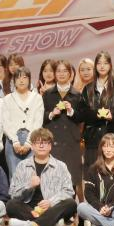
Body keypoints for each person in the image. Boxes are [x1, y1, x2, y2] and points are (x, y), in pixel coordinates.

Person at [6, 127, 77, 226]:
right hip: (29, 209)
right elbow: (13, 193)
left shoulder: (60, 166)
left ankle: (34, 224)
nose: (41, 145)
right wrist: (29, 185)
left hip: (52, 208)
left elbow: (69, 191)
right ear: (32, 146)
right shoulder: (22, 165)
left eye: (45, 142)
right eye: (37, 143)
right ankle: (51, 223)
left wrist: (51, 202)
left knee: (71, 204)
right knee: (10, 205)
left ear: (50, 146)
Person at [41, 60, 87, 190]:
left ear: (70, 74)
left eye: (65, 71)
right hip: (53, 141)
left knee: (70, 182)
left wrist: (71, 111)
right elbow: (40, 116)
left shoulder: (77, 95)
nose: (61, 74)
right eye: (58, 71)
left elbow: (82, 117)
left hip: (71, 142)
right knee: (52, 181)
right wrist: (51, 113)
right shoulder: (48, 94)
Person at [80, 51, 114, 168]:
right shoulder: (88, 88)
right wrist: (96, 114)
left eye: (105, 63)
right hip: (93, 138)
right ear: (95, 66)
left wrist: (112, 115)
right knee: (92, 172)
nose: (102, 66)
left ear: (110, 65)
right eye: (99, 63)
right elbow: (83, 112)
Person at [2, 66, 44, 175]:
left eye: (25, 77)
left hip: (32, 139)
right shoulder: (7, 99)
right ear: (14, 80)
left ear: (29, 80)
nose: (21, 80)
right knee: (14, 176)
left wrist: (28, 142)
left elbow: (38, 121)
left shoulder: (37, 98)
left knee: (31, 175)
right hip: (12, 141)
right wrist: (15, 141)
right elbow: (6, 122)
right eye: (18, 78)